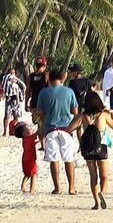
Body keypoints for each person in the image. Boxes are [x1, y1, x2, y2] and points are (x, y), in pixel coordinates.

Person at [32, 67, 79, 196]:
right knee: (69, 158)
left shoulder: (43, 93)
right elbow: (75, 112)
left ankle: (57, 188)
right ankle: (71, 187)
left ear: (49, 79)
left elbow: (40, 113)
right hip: (66, 128)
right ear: (61, 79)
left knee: (54, 159)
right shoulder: (69, 92)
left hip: (50, 128)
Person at [74, 90, 113, 209]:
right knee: (104, 176)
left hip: (88, 149)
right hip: (101, 148)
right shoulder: (103, 115)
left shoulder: (83, 116)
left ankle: (96, 203)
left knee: (93, 177)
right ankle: (102, 193)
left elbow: (72, 127)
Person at [17, 119, 39, 194]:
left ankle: (23, 187)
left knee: (27, 174)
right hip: (30, 159)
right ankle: (32, 189)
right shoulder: (30, 137)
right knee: (34, 174)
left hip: (25, 159)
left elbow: (31, 144)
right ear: (24, 133)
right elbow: (38, 133)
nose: (30, 129)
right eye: (28, 129)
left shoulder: (25, 139)